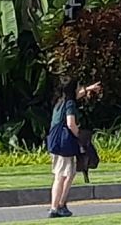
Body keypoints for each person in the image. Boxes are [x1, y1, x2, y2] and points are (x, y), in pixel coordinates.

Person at [46, 78, 100, 218]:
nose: (79, 89)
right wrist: (79, 136)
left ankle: (59, 205)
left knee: (67, 173)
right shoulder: (70, 104)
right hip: (65, 143)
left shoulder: (60, 102)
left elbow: (76, 95)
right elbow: (71, 123)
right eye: (78, 87)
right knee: (63, 175)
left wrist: (88, 89)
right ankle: (57, 206)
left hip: (56, 141)